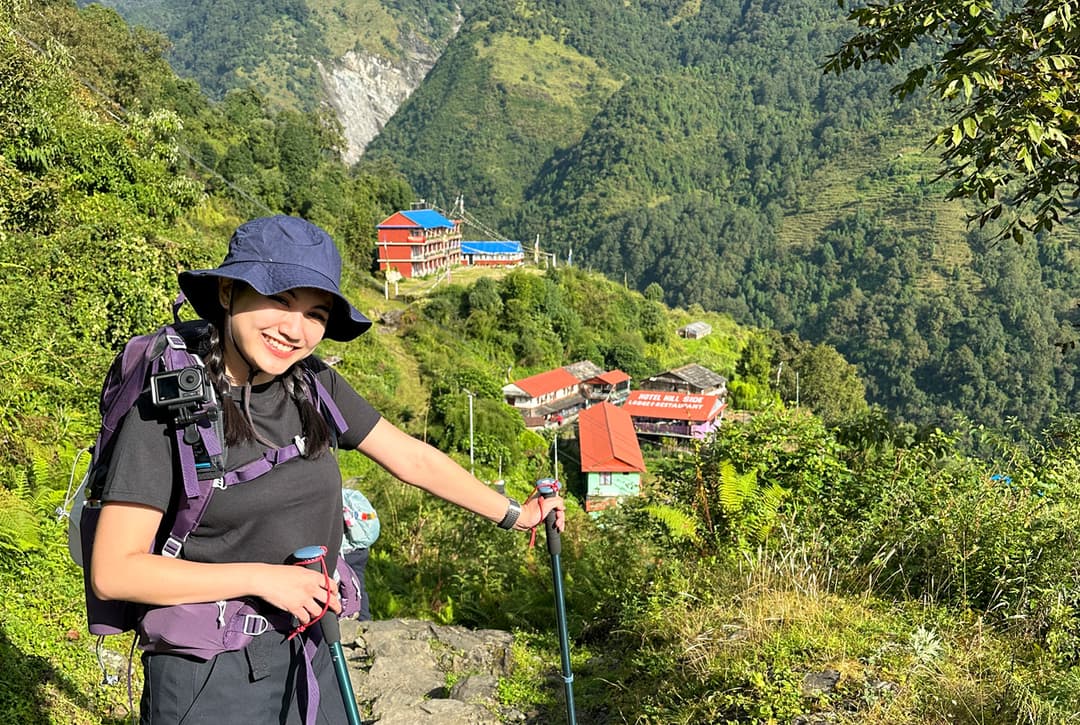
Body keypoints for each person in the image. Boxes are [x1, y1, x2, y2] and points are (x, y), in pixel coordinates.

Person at [89, 215, 565, 724]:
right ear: (228, 292)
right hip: (209, 674)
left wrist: (517, 514)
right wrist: (265, 580)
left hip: (312, 649)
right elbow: (115, 571)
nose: (295, 330)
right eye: (279, 300)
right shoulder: (167, 411)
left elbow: (411, 458)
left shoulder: (312, 386)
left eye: (315, 313)